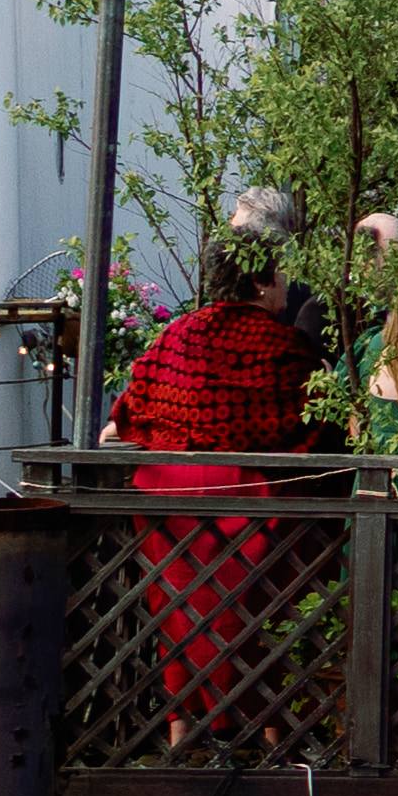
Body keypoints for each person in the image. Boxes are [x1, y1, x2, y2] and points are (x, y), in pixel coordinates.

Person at [112, 223, 315, 750]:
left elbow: (129, 411)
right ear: (262, 282)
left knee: (176, 606)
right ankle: (267, 731)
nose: (286, 286)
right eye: (280, 276)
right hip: (244, 495)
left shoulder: (174, 335)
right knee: (256, 608)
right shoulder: (284, 347)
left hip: (167, 493)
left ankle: (183, 727)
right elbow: (313, 424)